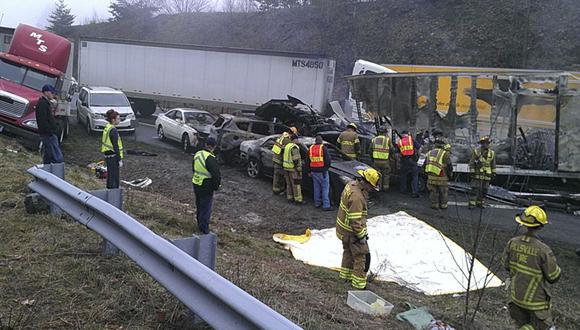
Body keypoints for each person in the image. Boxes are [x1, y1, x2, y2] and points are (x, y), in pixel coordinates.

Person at [503, 205, 561, 330]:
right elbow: (553, 277)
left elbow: (506, 265)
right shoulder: (544, 250)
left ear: (523, 223)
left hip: (516, 297)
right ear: (541, 226)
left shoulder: (512, 243)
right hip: (536, 303)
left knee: (522, 324)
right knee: (542, 326)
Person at [336, 168, 380, 289]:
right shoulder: (357, 197)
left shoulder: (351, 184)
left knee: (348, 253)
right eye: (371, 186)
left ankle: (345, 277)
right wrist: (361, 237)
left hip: (343, 230)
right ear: (366, 183)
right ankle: (359, 285)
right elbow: (355, 221)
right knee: (362, 256)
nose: (371, 190)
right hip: (351, 233)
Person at [192, 137, 221, 234]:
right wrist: (216, 186)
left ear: (205, 144)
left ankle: (199, 223)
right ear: (214, 146)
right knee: (206, 207)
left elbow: (194, 168)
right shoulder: (210, 158)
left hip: (196, 183)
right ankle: (204, 228)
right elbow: (216, 175)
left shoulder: (197, 154)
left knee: (199, 205)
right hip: (206, 185)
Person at [35, 84, 64, 164]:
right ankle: (57, 173)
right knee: (57, 158)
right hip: (48, 135)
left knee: (48, 157)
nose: (53, 95)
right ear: (46, 92)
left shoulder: (46, 103)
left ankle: (47, 172)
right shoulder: (42, 104)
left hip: (48, 134)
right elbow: (43, 121)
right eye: (52, 92)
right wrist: (50, 132)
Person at [423, 138, 453, 209]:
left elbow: (424, 164)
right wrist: (450, 174)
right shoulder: (444, 153)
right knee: (443, 191)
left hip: (431, 176)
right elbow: (449, 165)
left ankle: (434, 204)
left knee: (433, 191)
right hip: (441, 176)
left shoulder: (429, 152)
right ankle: (443, 205)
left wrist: (426, 174)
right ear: (442, 145)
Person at [469, 136, 496, 208]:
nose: (487, 145)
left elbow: (493, 164)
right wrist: (472, 171)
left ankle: (480, 202)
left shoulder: (492, 153)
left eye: (488, 143)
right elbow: (471, 163)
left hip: (487, 174)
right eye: (485, 143)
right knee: (475, 188)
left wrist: (494, 172)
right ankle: (472, 203)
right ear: (482, 144)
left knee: (484, 190)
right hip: (477, 173)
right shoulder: (476, 151)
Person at [307, 135, 332, 210]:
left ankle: (317, 203)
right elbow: (328, 160)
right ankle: (326, 205)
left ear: (315, 141)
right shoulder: (323, 148)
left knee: (316, 188)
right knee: (325, 188)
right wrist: (326, 168)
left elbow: (307, 161)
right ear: (321, 141)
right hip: (323, 171)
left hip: (314, 171)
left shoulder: (310, 148)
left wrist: (309, 171)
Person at [101, 109, 124, 189]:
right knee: (114, 177)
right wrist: (119, 159)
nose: (119, 120)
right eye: (118, 119)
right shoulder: (113, 130)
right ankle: (113, 194)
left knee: (110, 176)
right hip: (113, 156)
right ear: (113, 120)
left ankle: (109, 191)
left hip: (108, 155)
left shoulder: (108, 127)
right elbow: (116, 146)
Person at [271, 127, 298, 195]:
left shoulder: (282, 136)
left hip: (275, 158)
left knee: (277, 175)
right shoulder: (287, 140)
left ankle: (276, 190)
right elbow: (287, 151)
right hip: (280, 160)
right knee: (282, 176)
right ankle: (281, 190)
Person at [397, 130, 421, 198]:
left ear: (402, 135)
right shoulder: (411, 139)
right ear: (408, 134)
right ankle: (415, 192)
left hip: (404, 161)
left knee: (403, 175)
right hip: (412, 160)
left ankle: (403, 190)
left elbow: (398, 153)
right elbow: (419, 147)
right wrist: (418, 157)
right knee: (415, 176)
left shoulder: (400, 142)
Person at [370, 126, 393, 192]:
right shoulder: (388, 140)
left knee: (377, 175)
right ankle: (385, 188)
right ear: (385, 132)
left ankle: (378, 187)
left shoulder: (374, 139)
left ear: (379, 132)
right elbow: (392, 149)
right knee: (386, 175)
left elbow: (370, 150)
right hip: (385, 162)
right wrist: (389, 156)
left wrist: (372, 159)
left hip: (376, 161)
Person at [283, 133, 303, 204]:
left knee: (289, 184)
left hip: (286, 168)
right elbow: (296, 159)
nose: (298, 141)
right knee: (296, 185)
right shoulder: (294, 147)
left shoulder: (287, 146)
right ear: (295, 139)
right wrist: (298, 169)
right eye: (297, 139)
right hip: (292, 169)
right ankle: (298, 200)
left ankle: (290, 198)